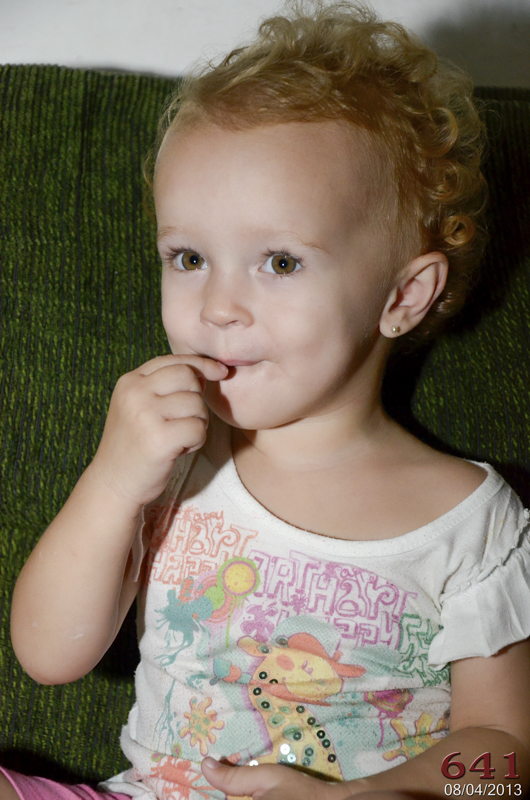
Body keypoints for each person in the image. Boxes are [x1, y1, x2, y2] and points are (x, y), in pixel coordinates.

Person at [4, 1, 530, 799]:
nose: (218, 307)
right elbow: (48, 655)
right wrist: (112, 479)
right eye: (188, 257)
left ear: (403, 296)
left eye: (279, 263)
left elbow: (503, 759)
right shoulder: (171, 461)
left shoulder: (472, 522)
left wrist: (366, 797)